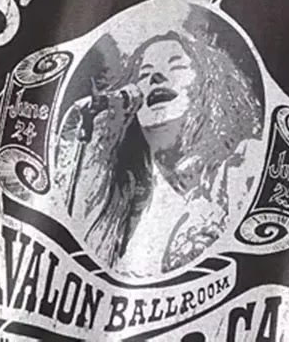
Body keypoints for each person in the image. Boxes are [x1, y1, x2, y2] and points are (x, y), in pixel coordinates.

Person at [54, 28, 264, 279]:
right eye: (144, 74)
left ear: (209, 86)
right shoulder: (122, 202)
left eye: (176, 67)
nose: (156, 77)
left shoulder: (243, 165)